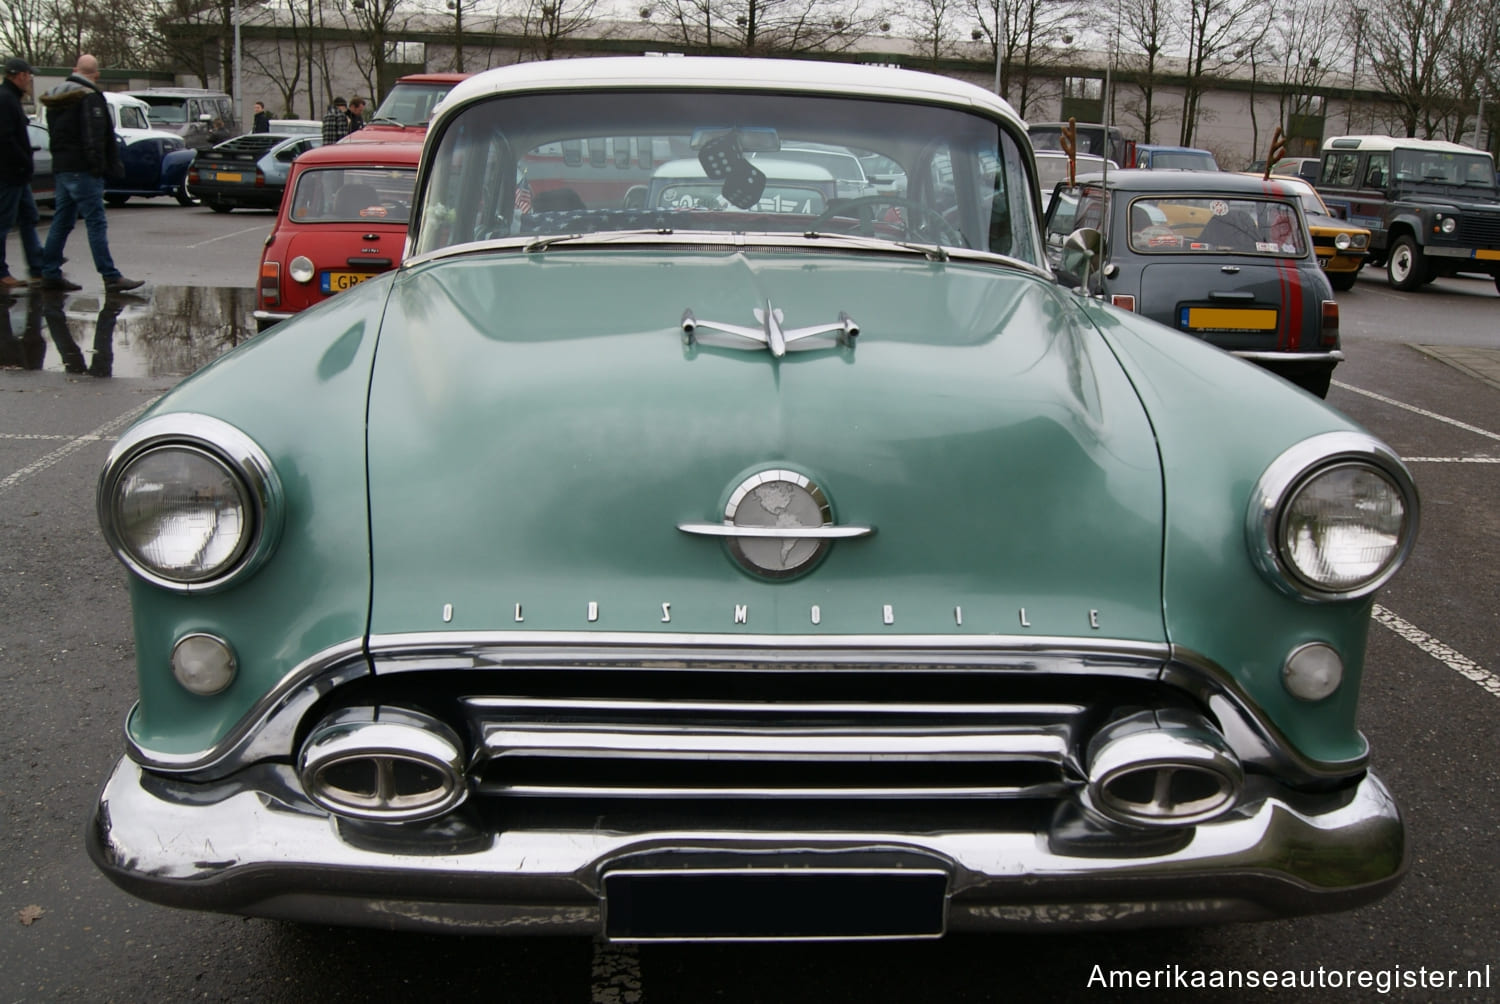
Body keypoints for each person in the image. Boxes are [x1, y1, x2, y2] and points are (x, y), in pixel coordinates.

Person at [37, 54, 142, 292]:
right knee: (96, 222)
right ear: (96, 74)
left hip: (63, 167)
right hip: (83, 169)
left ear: (75, 69)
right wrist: (98, 166)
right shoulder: (89, 98)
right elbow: (94, 135)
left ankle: (49, 272)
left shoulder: (55, 97)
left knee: (62, 221)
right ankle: (110, 276)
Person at [1, 56, 44, 289]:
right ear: (19, 75)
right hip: (9, 174)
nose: (30, 80)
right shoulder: (6, 100)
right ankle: (1, 272)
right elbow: (5, 139)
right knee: (4, 221)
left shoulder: (12, 99)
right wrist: (22, 160)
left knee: (29, 216)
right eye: (28, 76)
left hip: (19, 174)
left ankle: (38, 264)